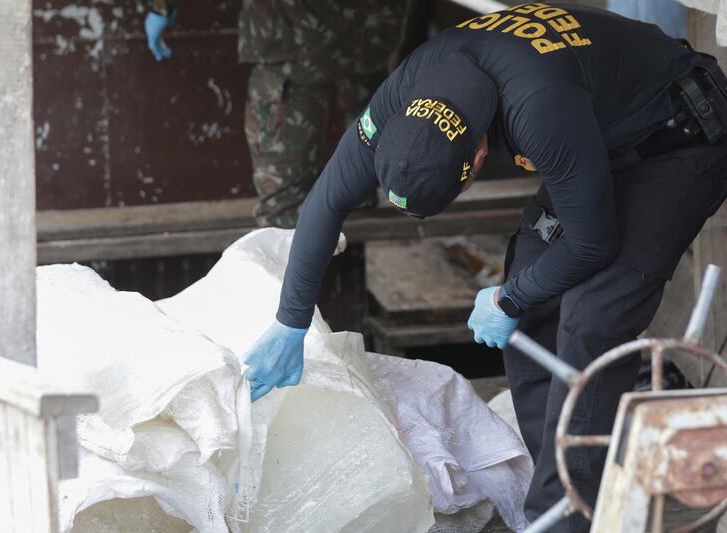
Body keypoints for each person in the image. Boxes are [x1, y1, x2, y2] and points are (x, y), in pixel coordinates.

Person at [242, 3, 727, 531]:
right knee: (535, 313)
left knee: (590, 318)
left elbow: (592, 244)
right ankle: (557, 507)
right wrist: (291, 320)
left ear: (475, 160)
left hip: (678, 136)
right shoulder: (404, 92)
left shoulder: (536, 109)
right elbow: (325, 201)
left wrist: (508, 298)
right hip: (596, 137)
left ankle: (568, 518)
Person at [144, 0, 410, 228]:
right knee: (356, 188)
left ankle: (301, 284)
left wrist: (162, 7)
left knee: (284, 206)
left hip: (291, 36)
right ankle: (342, 278)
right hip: (372, 32)